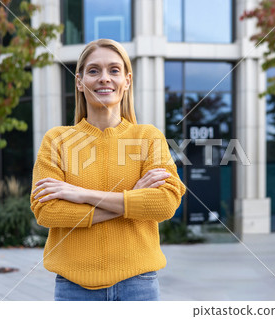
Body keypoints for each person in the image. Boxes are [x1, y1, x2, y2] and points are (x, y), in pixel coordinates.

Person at [30, 39, 186, 301]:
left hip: (139, 286)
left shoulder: (148, 137)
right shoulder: (56, 140)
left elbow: (165, 204)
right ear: (79, 81)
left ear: (127, 80)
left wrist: (79, 194)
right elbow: (47, 211)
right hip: (74, 290)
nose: (104, 78)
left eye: (114, 70)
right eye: (94, 71)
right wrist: (132, 199)